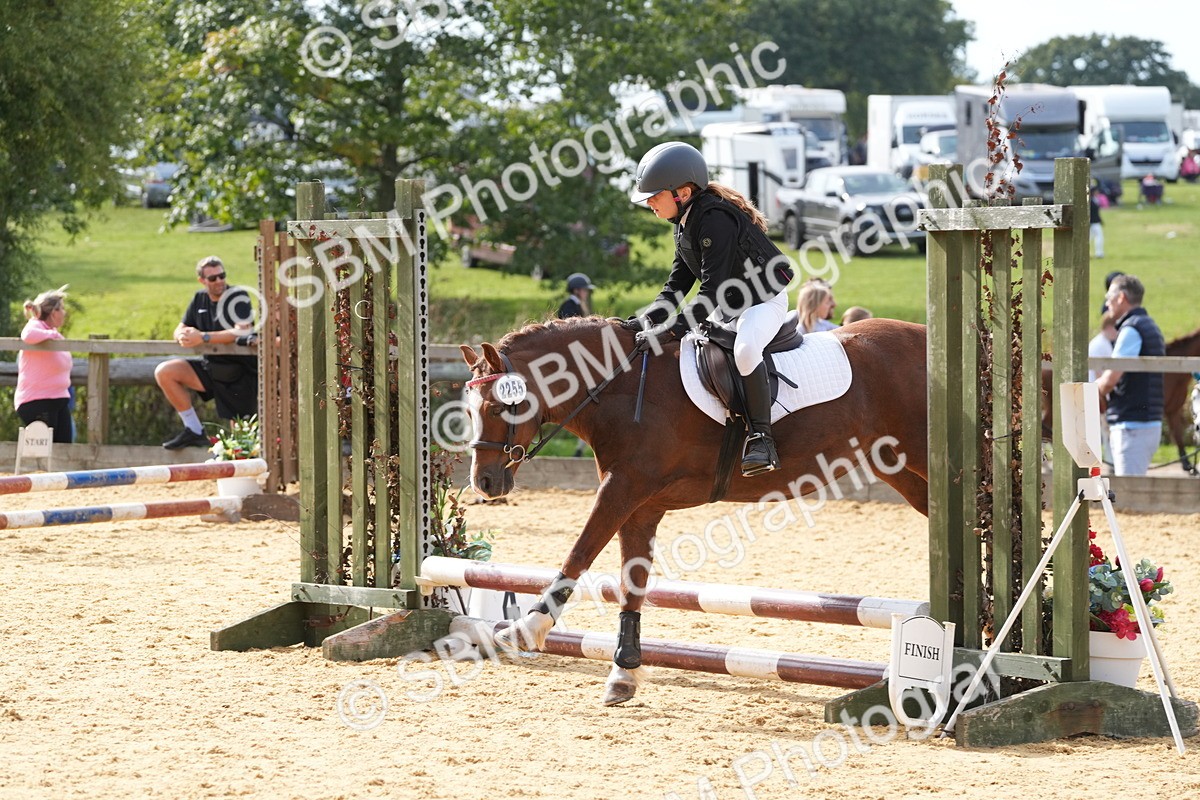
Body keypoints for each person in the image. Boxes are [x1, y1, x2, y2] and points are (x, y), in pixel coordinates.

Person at [625, 141, 795, 477]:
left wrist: (672, 329)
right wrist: (645, 320)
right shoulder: (685, 221)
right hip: (728, 306)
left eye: (654, 195)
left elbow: (712, 289)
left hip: (762, 302)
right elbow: (677, 283)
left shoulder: (715, 219)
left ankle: (762, 437)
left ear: (683, 192)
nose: (649, 203)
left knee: (746, 351)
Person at [155, 256, 258, 449]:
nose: (219, 281)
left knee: (243, 442)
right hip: (211, 368)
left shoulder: (238, 296)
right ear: (202, 281)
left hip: (240, 372)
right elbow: (180, 327)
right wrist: (182, 336)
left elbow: (242, 329)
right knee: (165, 371)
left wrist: (203, 337)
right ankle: (193, 430)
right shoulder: (198, 298)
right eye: (213, 278)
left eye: (222, 276)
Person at [1094, 275, 1164, 476]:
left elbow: (1111, 378)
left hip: (1132, 425)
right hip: (1145, 422)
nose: (1107, 303)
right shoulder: (1148, 325)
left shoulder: (1131, 330)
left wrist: (1093, 389)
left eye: (1109, 297)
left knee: (1129, 499)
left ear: (1121, 297)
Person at [15, 286, 74, 443]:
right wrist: (52, 335)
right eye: (61, 309)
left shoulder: (51, 332)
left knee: (65, 450)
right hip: (38, 401)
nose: (64, 313)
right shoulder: (36, 326)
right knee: (44, 451)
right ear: (53, 312)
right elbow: (27, 335)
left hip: (58, 400)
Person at [1089, 184, 1104, 259]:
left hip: (1096, 221)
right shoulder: (1090, 201)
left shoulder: (1095, 199)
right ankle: (1098, 253)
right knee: (1092, 238)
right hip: (1092, 223)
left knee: (1098, 237)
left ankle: (1099, 253)